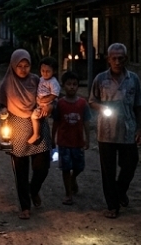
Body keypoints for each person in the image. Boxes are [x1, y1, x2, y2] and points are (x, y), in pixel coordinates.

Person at [88, 43, 141, 219]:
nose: (117, 61)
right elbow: (92, 100)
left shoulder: (133, 79)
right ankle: (112, 205)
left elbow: (138, 105)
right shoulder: (100, 79)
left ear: (125, 59)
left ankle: (121, 190)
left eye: (121, 58)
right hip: (106, 132)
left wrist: (140, 128)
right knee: (108, 170)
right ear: (108, 59)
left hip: (127, 130)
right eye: (114, 58)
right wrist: (103, 108)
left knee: (131, 163)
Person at [0, 49, 52, 220]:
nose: (23, 69)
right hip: (17, 126)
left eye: (26, 66)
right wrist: (3, 110)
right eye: (19, 66)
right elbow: (0, 104)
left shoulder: (37, 80)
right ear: (13, 66)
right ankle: (25, 206)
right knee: (20, 170)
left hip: (38, 124)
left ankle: (33, 190)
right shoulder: (7, 83)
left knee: (42, 166)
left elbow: (49, 98)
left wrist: (48, 107)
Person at [51, 71, 91, 205]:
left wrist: (88, 139)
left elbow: (86, 121)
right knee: (66, 168)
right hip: (64, 142)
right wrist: (53, 138)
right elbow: (56, 122)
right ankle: (68, 193)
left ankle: (73, 179)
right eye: (69, 84)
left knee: (79, 167)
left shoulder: (82, 103)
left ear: (78, 86)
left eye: (75, 84)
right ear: (63, 86)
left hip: (78, 141)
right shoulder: (60, 104)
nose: (72, 87)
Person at [29, 56, 61, 145]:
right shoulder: (40, 79)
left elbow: (55, 94)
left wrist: (46, 100)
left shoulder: (53, 81)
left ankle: (37, 134)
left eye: (48, 71)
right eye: (42, 71)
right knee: (35, 117)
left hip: (48, 104)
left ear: (53, 71)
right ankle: (38, 134)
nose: (45, 73)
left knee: (35, 117)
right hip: (40, 104)